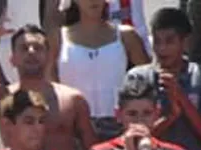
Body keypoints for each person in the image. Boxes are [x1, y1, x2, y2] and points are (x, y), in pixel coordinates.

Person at [0, 22, 97, 150]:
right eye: (24, 48)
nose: (31, 52)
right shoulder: (2, 97)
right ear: (12, 59)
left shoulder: (73, 99)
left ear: (49, 56)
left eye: (38, 47)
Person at [123, 7, 201, 150]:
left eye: (169, 41)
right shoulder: (137, 77)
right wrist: (170, 117)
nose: (162, 49)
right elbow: (133, 139)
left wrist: (181, 98)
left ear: (184, 42)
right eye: (157, 41)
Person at [57, 0, 148, 142]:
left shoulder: (126, 35)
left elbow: (147, 83)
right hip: (73, 129)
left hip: (119, 127)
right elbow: (50, 88)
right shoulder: (57, 38)